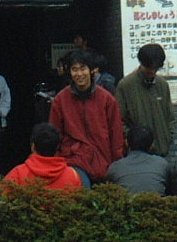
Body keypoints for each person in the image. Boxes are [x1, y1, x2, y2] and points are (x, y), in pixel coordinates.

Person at [48, 49, 124, 185]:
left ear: (92, 70)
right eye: (74, 69)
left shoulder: (107, 99)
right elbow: (54, 134)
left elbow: (116, 135)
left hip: (103, 161)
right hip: (73, 160)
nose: (79, 74)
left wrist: (116, 163)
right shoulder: (60, 100)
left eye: (83, 69)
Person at [115, 43, 175, 156]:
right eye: (149, 68)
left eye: (155, 69)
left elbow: (169, 116)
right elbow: (119, 120)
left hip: (161, 150)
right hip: (137, 152)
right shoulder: (125, 85)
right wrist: (133, 140)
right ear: (141, 63)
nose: (152, 72)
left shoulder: (162, 84)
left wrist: (167, 136)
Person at [2, 122, 83, 193]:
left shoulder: (17, 174)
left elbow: (2, 201)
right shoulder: (73, 176)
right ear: (57, 147)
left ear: (33, 146)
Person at [107, 125, 177, 195]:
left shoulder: (115, 168)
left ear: (126, 143)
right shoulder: (162, 164)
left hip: (127, 204)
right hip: (156, 203)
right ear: (152, 145)